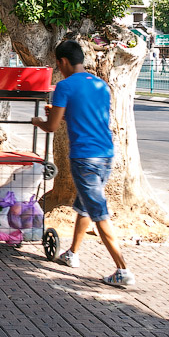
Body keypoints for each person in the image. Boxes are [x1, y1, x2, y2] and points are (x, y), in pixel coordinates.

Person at [31, 39, 135, 287]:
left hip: (84, 158)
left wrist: (38, 121)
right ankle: (73, 254)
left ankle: (122, 269)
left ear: (62, 62)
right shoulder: (101, 85)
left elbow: (52, 126)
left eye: (58, 64)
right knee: (84, 206)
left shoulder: (64, 87)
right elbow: (85, 115)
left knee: (99, 213)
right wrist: (62, 113)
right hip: (106, 154)